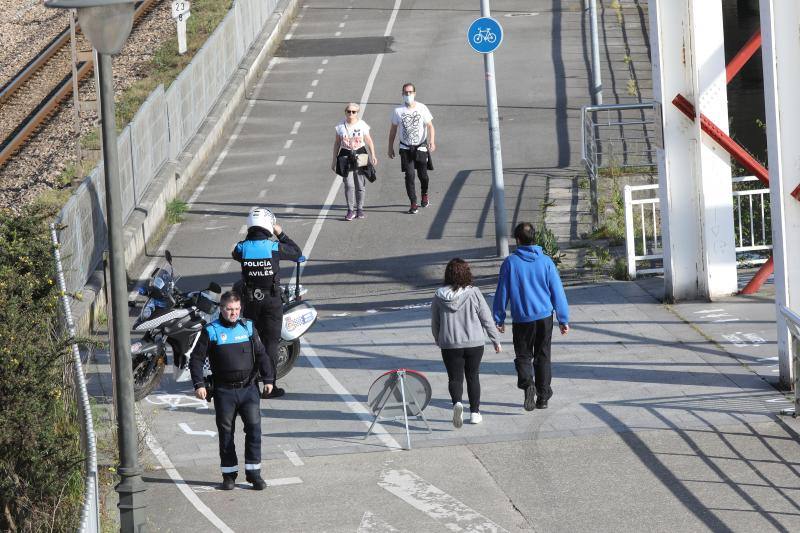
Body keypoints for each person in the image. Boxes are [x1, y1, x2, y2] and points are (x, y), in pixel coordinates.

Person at [191, 291, 273, 490]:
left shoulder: (248, 327)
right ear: (221, 309)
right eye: (229, 309)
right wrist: (199, 384)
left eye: (236, 309)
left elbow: (262, 355)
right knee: (226, 433)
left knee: (254, 430)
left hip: (249, 390)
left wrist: (269, 379)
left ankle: (254, 474)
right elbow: (196, 359)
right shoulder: (211, 330)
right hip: (224, 392)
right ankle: (229, 476)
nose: (233, 313)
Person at [493, 222, 569, 411]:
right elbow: (557, 291)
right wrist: (563, 318)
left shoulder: (510, 263)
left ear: (518, 240)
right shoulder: (546, 261)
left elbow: (502, 292)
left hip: (522, 318)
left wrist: (499, 317)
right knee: (543, 356)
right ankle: (543, 397)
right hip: (544, 317)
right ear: (534, 238)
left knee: (523, 356)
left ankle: (528, 384)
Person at [232, 207, 302, 398]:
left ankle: (251, 385)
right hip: (271, 301)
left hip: (250, 301)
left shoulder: (241, 248)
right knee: (270, 343)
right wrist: (281, 233)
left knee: (251, 341)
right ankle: (270, 386)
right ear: (268, 225)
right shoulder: (273, 247)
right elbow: (297, 253)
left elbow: (236, 252)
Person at [432, 258, 501, 428]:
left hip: (450, 343)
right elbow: (486, 317)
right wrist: (495, 340)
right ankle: (475, 413)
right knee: (473, 376)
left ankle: (457, 403)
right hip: (474, 343)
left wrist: (438, 338)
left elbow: (435, 321)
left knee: (454, 378)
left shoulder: (439, 295)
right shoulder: (474, 292)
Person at [387, 82, 436, 214]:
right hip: (405, 148)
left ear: (414, 93)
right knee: (409, 175)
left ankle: (424, 193)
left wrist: (431, 141)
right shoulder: (398, 111)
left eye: (410, 92)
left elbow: (430, 126)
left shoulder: (422, 108)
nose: (408, 95)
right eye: (405, 92)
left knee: (423, 175)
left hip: (421, 147)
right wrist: (390, 147)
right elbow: (393, 130)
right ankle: (413, 203)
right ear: (402, 94)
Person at [331, 102, 377, 221]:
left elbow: (369, 140)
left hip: (360, 153)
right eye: (349, 111)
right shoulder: (340, 126)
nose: (351, 113)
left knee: (360, 184)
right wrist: (334, 160)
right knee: (349, 184)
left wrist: (373, 155)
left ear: (357, 113)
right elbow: (337, 143)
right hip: (345, 155)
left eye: (354, 112)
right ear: (345, 112)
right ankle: (350, 210)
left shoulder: (362, 124)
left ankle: (360, 209)